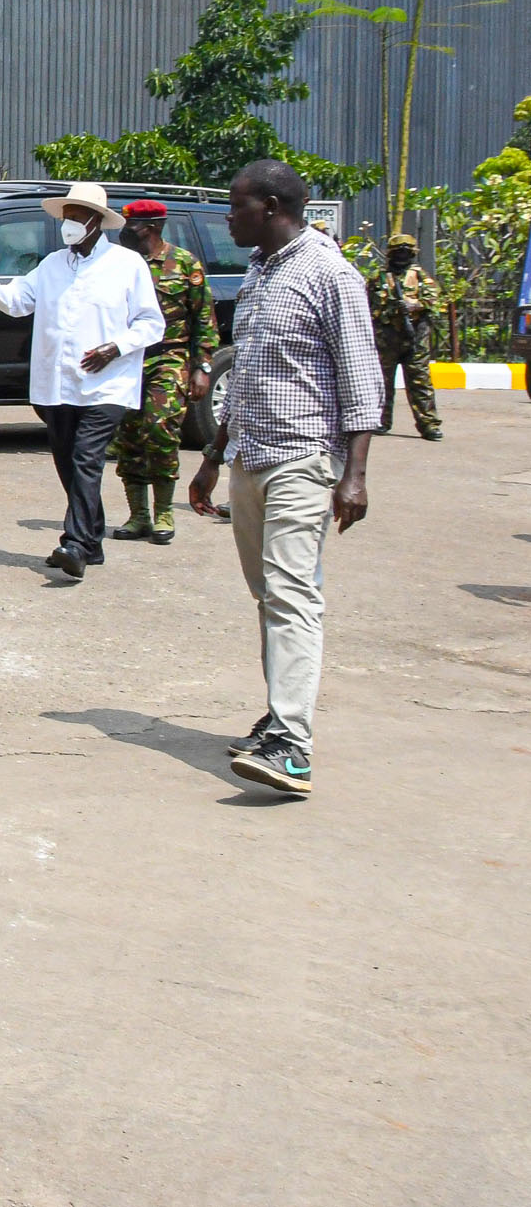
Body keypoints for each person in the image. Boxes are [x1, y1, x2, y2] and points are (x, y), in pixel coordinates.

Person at [189, 161, 383, 798]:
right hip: (248, 457)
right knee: (268, 595)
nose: (227, 217)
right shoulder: (257, 273)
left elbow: (362, 382)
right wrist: (215, 457)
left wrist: (353, 477)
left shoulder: (330, 274)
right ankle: (279, 717)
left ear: (270, 207)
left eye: (236, 206)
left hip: (304, 459)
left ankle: (292, 746)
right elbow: (243, 378)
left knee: (293, 593)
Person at [0, 181, 163, 580]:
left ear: (97, 222)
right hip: (56, 385)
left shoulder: (126, 265)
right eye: (67, 216)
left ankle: (76, 545)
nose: (70, 224)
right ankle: (92, 541)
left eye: (78, 217)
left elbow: (152, 323)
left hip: (106, 386)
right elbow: (16, 302)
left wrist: (116, 347)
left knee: (86, 458)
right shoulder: (50, 266)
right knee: (69, 463)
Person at [108, 201, 219, 544]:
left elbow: (204, 318)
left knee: (159, 428)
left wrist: (202, 367)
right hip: (126, 357)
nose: (125, 231)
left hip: (169, 356)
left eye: (132, 226)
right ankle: (138, 515)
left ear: (153, 227)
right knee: (128, 434)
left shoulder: (184, 264)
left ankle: (164, 511)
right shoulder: (118, 264)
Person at [369, 232, 442, 441]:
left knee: (420, 383)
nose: (402, 256)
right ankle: (381, 421)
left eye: (406, 252)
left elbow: (434, 300)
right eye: (398, 252)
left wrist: (414, 305)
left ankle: (429, 424)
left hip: (415, 339)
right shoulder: (379, 277)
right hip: (386, 339)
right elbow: (367, 305)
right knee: (382, 383)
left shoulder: (420, 276)